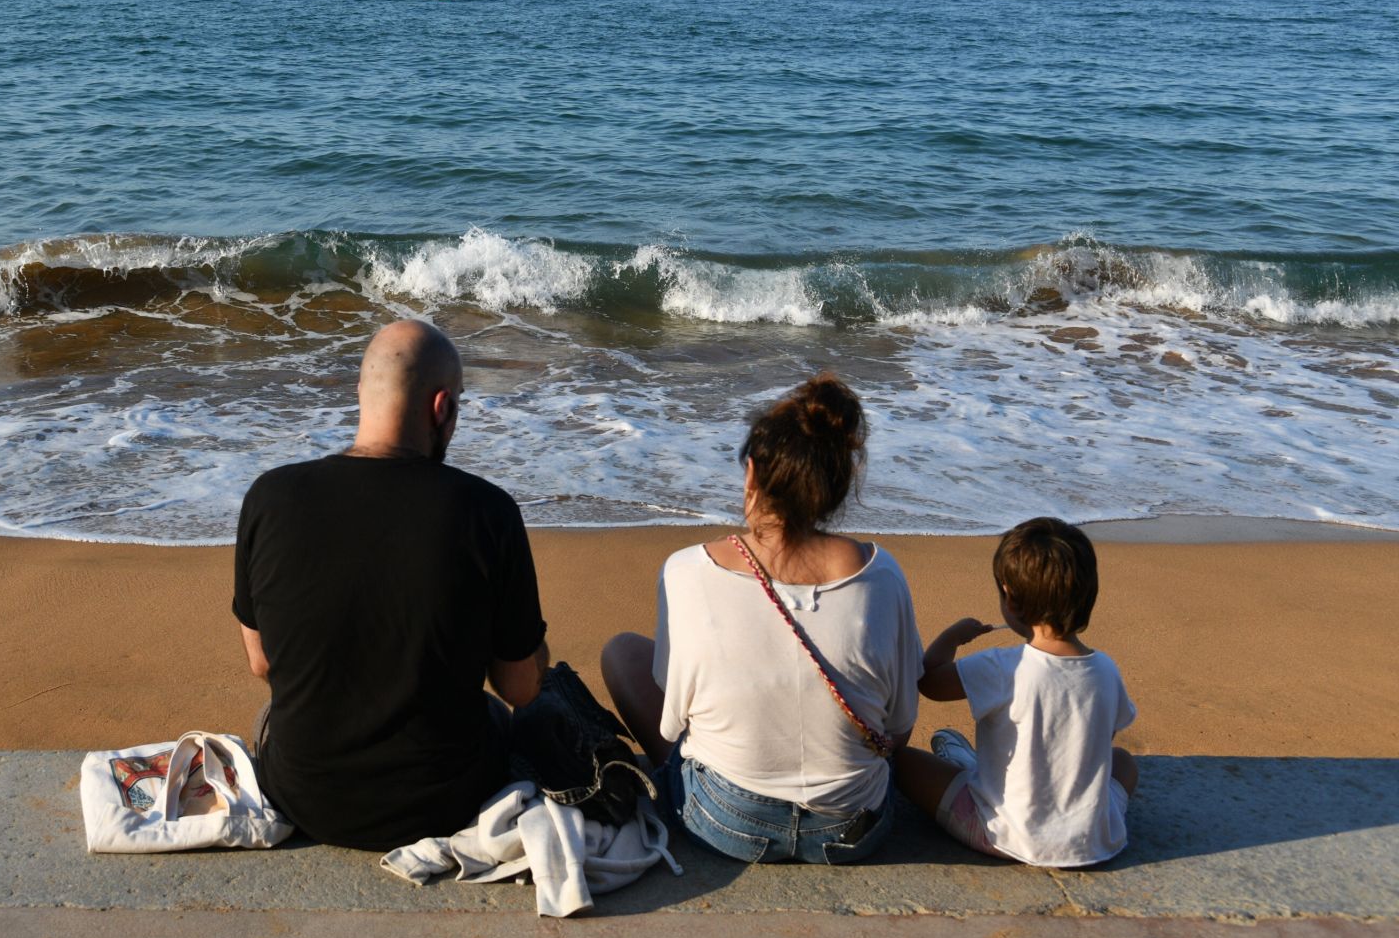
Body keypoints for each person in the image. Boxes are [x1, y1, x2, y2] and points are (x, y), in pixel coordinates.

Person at [232, 319, 550, 850]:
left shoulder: (271, 497)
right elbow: (520, 688)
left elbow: (262, 663)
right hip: (447, 802)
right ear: (442, 407)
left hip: (306, 797)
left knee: (276, 714)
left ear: (361, 393)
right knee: (495, 714)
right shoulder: (486, 510)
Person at [601, 373, 922, 864]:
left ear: (751, 472)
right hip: (852, 829)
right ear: (836, 487)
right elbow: (897, 729)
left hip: (726, 822)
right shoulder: (882, 576)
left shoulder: (687, 570)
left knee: (622, 652)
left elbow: (671, 726)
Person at [893, 517, 1138, 867]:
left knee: (902, 762)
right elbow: (1103, 737)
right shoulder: (1106, 669)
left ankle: (968, 766)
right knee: (1125, 762)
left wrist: (953, 636)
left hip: (1005, 833)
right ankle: (970, 764)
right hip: (1092, 842)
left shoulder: (1004, 665)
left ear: (1010, 598)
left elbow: (929, 681)